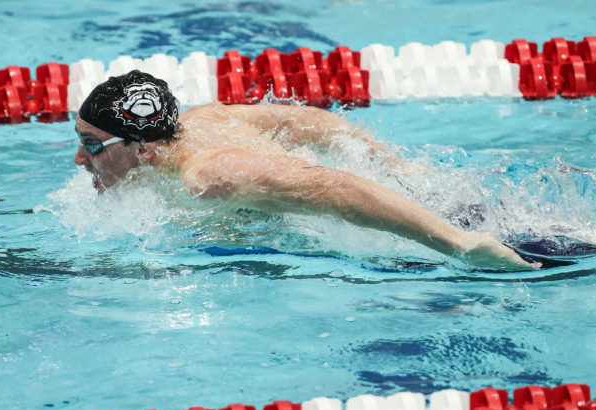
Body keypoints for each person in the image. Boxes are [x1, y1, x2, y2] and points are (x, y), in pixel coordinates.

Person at [74, 69, 537, 271]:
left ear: (146, 150)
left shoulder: (209, 177)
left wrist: (460, 245)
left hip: (453, 231)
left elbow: (332, 187)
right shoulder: (199, 120)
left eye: (92, 146)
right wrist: (396, 164)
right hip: (430, 203)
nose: (80, 160)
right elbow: (303, 120)